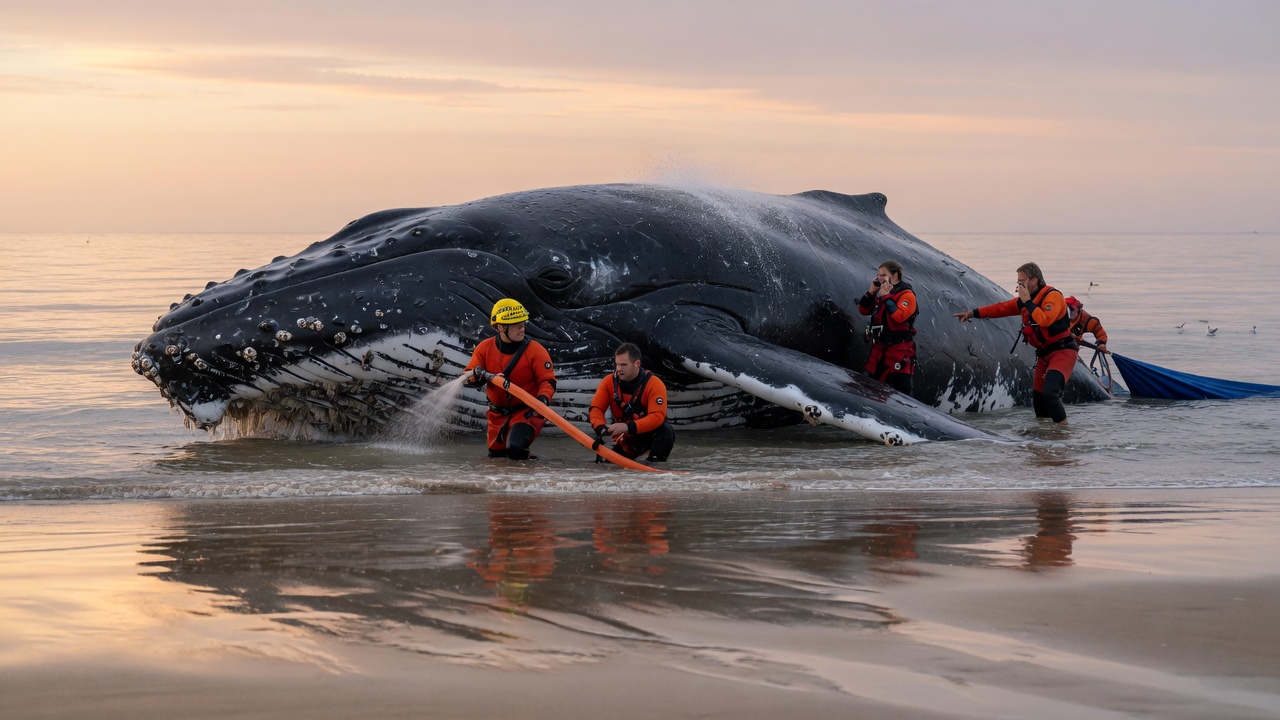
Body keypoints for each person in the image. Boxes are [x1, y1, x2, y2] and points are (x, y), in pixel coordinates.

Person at [953, 262, 1077, 424]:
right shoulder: (1025, 301)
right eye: (1018, 282)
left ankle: (1063, 433)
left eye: (1022, 281)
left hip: (1063, 352)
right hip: (1045, 354)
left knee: (1050, 393)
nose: (1019, 286)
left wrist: (1028, 302)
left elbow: (1044, 321)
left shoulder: (1052, 297)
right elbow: (1001, 308)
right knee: (1038, 399)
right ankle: (1045, 435)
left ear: (1034, 280)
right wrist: (972, 313)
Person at [464, 298, 557, 460]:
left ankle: (529, 482)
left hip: (527, 412)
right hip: (497, 415)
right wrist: (477, 376)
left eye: (523, 324)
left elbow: (548, 381)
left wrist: (542, 400)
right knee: (497, 458)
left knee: (515, 448)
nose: (522, 329)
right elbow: (470, 376)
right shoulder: (484, 348)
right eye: (517, 325)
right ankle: (512, 482)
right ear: (501, 327)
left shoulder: (535, 350)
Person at [589, 343, 675, 462]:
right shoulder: (608, 382)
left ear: (637, 363)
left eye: (623, 365)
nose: (619, 369)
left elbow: (657, 417)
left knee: (666, 430)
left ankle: (655, 465)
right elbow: (596, 408)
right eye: (617, 364)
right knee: (609, 465)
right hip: (625, 438)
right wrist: (600, 428)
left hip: (645, 434)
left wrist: (627, 427)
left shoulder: (654, 384)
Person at [857, 260, 918, 395]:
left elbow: (899, 317)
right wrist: (871, 292)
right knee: (871, 385)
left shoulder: (906, 295)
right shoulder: (880, 292)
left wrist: (886, 297)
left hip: (899, 350)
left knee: (903, 388)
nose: (879, 278)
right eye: (878, 274)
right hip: (879, 349)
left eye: (883, 275)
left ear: (895, 275)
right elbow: (863, 310)